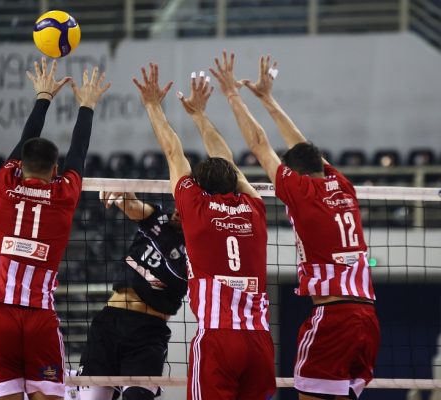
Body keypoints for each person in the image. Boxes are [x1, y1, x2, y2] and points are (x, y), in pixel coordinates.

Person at [211, 51, 379, 399]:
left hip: (334, 317)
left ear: (295, 173)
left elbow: (259, 145)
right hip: (367, 317)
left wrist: (232, 94)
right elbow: (304, 148)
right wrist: (268, 100)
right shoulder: (342, 184)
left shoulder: (301, 191)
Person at [133, 63, 275, 400]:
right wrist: (200, 116)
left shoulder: (196, 209)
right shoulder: (255, 209)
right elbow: (230, 166)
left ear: (199, 187)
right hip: (259, 341)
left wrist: (153, 105)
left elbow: (173, 152)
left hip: (218, 337)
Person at [0, 58, 110, 400]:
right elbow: (78, 154)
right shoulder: (64, 195)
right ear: (55, 170)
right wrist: (87, 105)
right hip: (39, 321)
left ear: (19, 166)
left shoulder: (4, 184)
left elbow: (27, 141)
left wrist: (43, 97)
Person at [78, 191, 187, 400]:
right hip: (109, 322)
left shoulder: (198, 252)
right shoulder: (158, 219)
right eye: (178, 207)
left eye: (186, 210)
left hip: (147, 333)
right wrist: (122, 193)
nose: (177, 212)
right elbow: (133, 206)